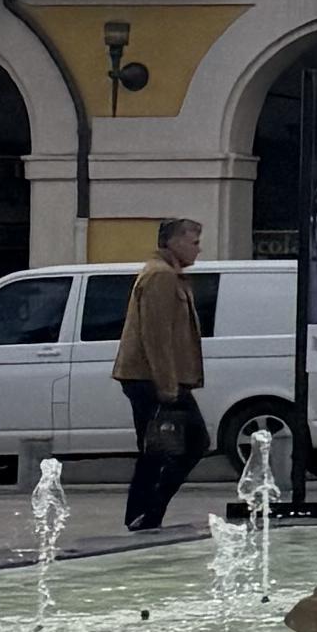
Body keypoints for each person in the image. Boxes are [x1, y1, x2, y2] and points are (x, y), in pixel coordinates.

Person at [111, 220, 210, 537]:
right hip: (152, 379)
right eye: (194, 242)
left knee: (162, 449)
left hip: (156, 378)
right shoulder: (160, 276)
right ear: (173, 242)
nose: (198, 249)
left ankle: (144, 515)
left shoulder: (168, 274)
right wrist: (167, 387)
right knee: (182, 445)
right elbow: (156, 337)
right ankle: (145, 514)